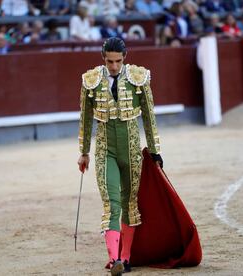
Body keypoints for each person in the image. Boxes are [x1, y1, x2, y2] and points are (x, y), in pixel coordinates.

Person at [77, 37, 162, 275]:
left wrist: (155, 151)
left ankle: (125, 258)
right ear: (102, 59)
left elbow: (149, 116)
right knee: (111, 204)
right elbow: (84, 119)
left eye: (118, 61)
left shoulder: (138, 77)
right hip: (106, 150)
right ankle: (114, 258)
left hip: (132, 149)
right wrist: (83, 152)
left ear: (125, 58)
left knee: (129, 204)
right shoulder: (91, 81)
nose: (113, 66)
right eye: (109, 61)